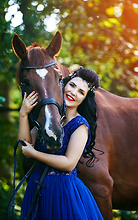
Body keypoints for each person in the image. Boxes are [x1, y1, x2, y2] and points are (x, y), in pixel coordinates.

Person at [18, 67, 104, 220]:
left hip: (62, 192)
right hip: (36, 188)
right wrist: (23, 114)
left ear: (84, 99)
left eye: (81, 92)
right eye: (72, 85)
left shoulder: (80, 125)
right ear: (63, 84)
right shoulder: (47, 117)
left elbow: (69, 163)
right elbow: (25, 145)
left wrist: (35, 154)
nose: (73, 93)